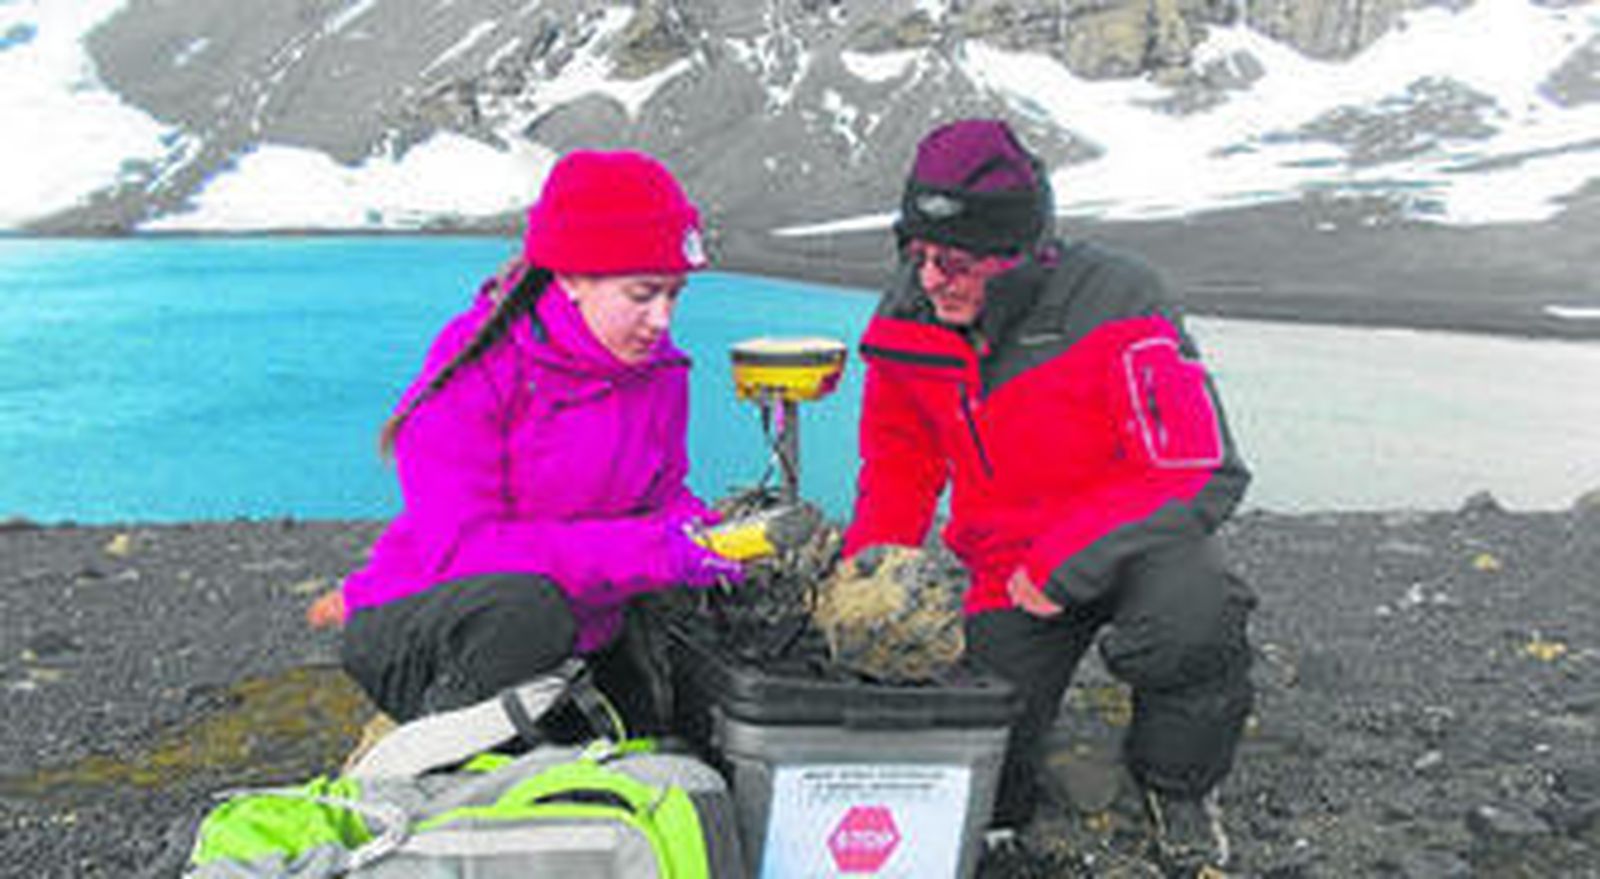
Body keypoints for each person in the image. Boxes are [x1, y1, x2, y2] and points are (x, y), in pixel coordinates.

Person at [841, 119, 1256, 874]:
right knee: (984, 771)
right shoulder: (906, 320)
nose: (931, 279)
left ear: (1020, 251)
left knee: (1195, 613)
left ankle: (1177, 786)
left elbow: (1200, 468)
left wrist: (1068, 564)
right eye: (918, 253)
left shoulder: (1121, 298)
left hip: (1135, 545)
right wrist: (869, 580)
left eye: (957, 262)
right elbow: (899, 466)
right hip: (1004, 568)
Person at [307, 149, 741, 745]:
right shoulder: (478, 364)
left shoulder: (658, 372)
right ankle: (436, 753)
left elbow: (661, 498)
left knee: (655, 748)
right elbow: (464, 551)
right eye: (643, 294)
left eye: (675, 294)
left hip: (580, 634)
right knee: (527, 611)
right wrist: (654, 551)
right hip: (442, 626)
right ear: (571, 278)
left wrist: (709, 535)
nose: (662, 319)